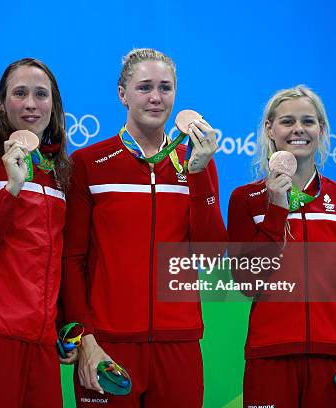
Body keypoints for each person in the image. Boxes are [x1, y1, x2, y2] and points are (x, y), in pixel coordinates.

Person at [61, 48, 228, 407]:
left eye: (165, 88)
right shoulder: (90, 164)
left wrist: (198, 175)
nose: (156, 97)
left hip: (178, 343)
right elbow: (72, 260)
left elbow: (211, 256)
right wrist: (86, 339)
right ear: (122, 93)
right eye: (144, 87)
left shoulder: (197, 163)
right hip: (108, 343)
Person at [228, 85, 336, 406]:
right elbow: (247, 282)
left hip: (333, 360)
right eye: (287, 121)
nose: (298, 129)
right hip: (269, 357)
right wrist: (276, 208)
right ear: (270, 129)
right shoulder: (245, 200)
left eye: (308, 121)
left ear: (321, 130)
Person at [0, 58, 75, 408]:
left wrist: (65, 325)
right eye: (20, 93)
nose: (31, 103)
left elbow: (60, 254)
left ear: (54, 106)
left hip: (43, 339)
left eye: (41, 94)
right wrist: (12, 189)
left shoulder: (58, 168)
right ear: (2, 102)